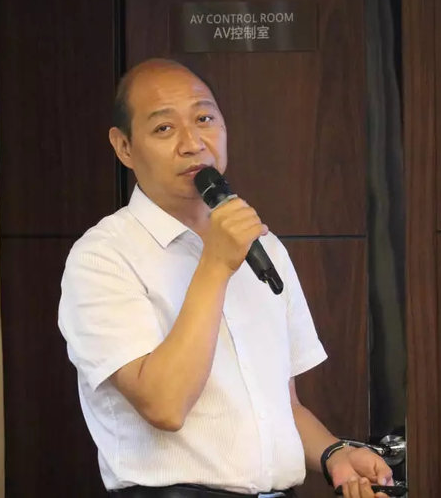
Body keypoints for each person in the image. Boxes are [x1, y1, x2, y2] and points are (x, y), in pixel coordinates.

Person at [58, 58, 392, 498]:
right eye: (164, 128)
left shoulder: (264, 246)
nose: (193, 143)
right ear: (124, 147)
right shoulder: (103, 257)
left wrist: (333, 454)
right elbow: (164, 405)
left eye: (204, 119)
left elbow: (279, 404)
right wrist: (215, 266)